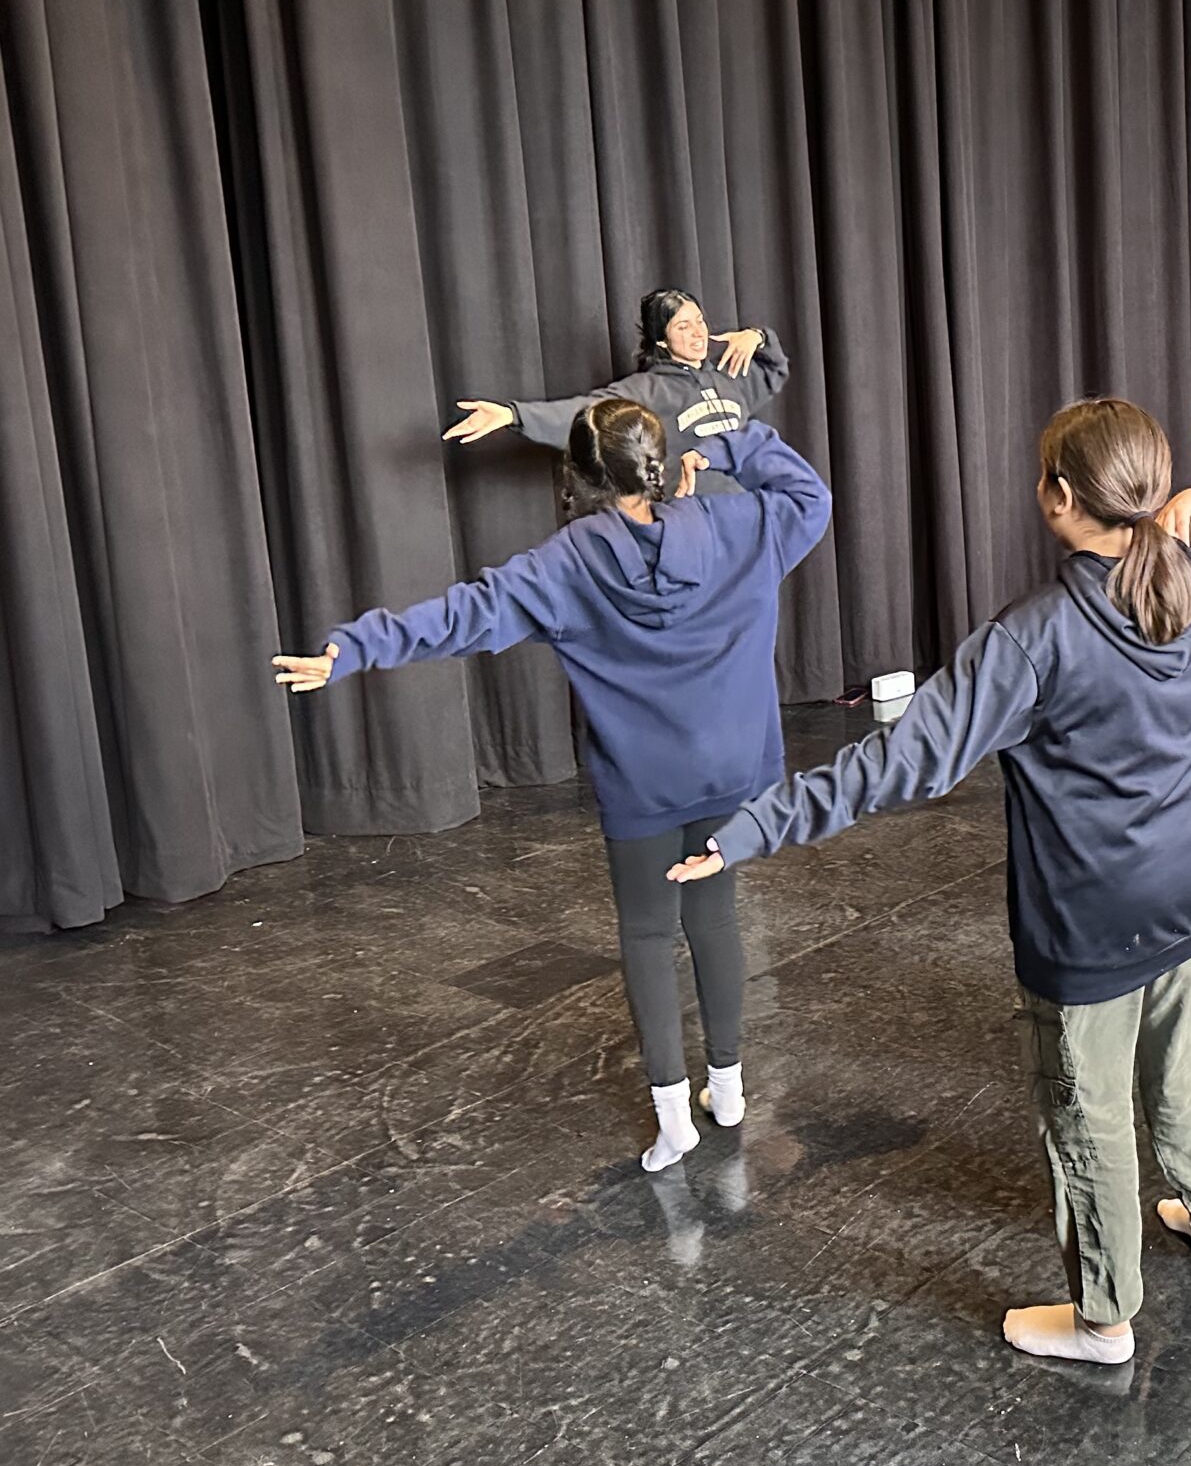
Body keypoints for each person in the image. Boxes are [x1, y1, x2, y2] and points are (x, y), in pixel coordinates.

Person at [669, 399, 1191, 1365]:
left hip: (1092, 916)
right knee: (1179, 1047)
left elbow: (905, 762)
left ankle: (1105, 1317)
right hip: (1189, 875)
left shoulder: (1038, 636)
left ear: (1060, 499)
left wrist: (754, 827)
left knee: (1090, 1108)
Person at [271, 404, 831, 1171]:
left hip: (643, 784)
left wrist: (353, 649)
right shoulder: (739, 529)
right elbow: (810, 498)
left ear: (577, 477)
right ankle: (728, 1090)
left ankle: (675, 1120)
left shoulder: (568, 563)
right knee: (716, 916)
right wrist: (732, 440)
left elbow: (463, 615)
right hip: (735, 768)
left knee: (646, 934)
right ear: (661, 463)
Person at [444, 288, 789, 493]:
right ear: (661, 340)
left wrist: (758, 337)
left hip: (753, 522)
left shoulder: (730, 377)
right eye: (683, 325)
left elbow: (775, 369)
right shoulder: (648, 390)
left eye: (700, 320)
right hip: (699, 528)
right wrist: (512, 415)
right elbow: (588, 413)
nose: (698, 332)